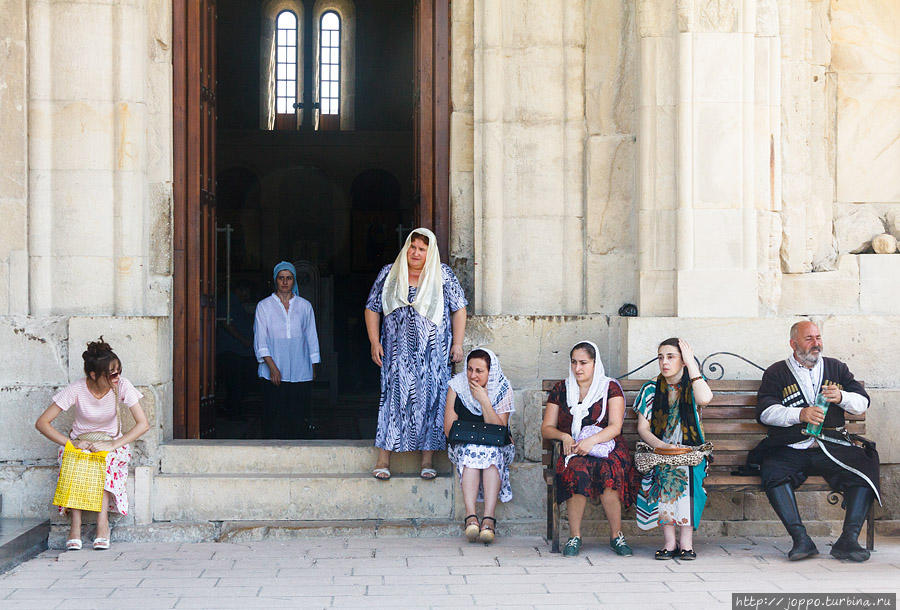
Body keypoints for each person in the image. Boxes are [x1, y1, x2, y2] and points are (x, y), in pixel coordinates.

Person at [749, 320, 880, 562]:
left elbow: (862, 402)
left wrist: (841, 396)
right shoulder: (776, 372)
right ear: (793, 343)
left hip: (832, 446)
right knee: (772, 470)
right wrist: (799, 414)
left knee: (865, 467)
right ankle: (801, 540)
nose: (816, 344)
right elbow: (765, 412)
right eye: (809, 339)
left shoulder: (837, 368)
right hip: (791, 446)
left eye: (818, 338)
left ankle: (848, 540)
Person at [365, 228, 468, 480]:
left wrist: (458, 343)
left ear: (429, 251)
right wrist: (373, 341)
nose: (416, 253)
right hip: (396, 353)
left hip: (432, 355)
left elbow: (459, 308)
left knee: (432, 402)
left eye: (422, 249)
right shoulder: (389, 273)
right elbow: (372, 307)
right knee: (392, 400)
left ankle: (427, 460)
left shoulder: (442, 274)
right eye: (412, 247)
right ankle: (383, 459)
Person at [35, 338, 150, 551]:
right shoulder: (77, 388)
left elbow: (143, 424)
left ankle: (102, 525)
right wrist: (72, 443)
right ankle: (75, 527)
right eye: (112, 374)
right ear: (93, 375)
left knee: (103, 461)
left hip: (111, 443)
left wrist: (113, 444)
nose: (117, 377)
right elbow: (42, 423)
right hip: (82, 441)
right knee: (75, 460)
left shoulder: (122, 386)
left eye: (119, 371)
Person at [541, 341, 640, 557]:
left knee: (609, 471)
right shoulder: (562, 389)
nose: (578, 368)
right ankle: (574, 536)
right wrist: (564, 436)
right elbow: (547, 429)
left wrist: (592, 440)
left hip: (607, 447)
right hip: (574, 448)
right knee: (576, 469)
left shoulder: (609, 388)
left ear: (595, 363)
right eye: (574, 362)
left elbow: (615, 427)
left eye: (584, 363)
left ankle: (617, 535)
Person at [633, 338, 713, 560]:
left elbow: (705, 398)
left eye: (671, 357)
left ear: (683, 361)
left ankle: (686, 542)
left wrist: (691, 364)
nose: (664, 362)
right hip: (660, 452)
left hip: (692, 452)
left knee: (687, 470)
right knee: (666, 470)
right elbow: (643, 428)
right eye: (661, 357)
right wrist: (664, 447)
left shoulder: (695, 384)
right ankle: (670, 542)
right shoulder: (651, 389)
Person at [444, 348, 516, 544]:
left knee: (489, 452)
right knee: (472, 451)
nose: (473, 376)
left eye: (479, 371)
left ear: (490, 372)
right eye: (469, 369)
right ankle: (471, 517)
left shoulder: (502, 387)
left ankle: (488, 519)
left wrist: (484, 401)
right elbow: (448, 428)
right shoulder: (457, 386)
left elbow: (500, 429)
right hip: (463, 445)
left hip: (497, 447)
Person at [254, 261, 321, 439]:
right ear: (275, 280)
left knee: (297, 416)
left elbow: (311, 337)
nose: (285, 282)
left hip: (300, 369)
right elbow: (260, 341)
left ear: (294, 281)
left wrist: (313, 366)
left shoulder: (304, 306)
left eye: (289, 278)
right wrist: (273, 368)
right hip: (273, 370)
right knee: (274, 415)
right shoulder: (264, 306)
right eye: (281, 278)